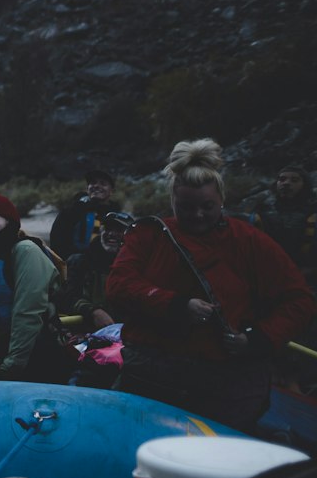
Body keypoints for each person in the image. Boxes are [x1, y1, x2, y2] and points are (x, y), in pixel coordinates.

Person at [106, 139, 315, 431]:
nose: (198, 215)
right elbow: (118, 283)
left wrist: (257, 339)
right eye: (187, 207)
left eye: (207, 206)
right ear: (172, 202)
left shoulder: (248, 240)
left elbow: (299, 299)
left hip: (225, 383)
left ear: (222, 200)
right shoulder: (149, 235)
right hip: (154, 374)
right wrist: (175, 304)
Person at [0, 192, 74, 384]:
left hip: (37, 352)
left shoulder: (26, 252)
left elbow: (27, 314)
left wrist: (2, 373)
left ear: (9, 221)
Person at [57, 211, 135, 329]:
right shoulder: (80, 262)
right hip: (86, 330)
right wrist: (94, 311)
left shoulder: (136, 266)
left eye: (119, 230)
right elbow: (66, 298)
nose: (111, 234)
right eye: (108, 229)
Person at [248, 163, 315, 283]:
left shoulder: (313, 211)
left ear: (305, 185)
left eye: (294, 180)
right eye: (282, 179)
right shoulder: (263, 211)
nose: (286, 183)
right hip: (270, 275)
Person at [49, 166, 118, 261]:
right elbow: (57, 244)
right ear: (87, 188)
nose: (97, 186)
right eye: (93, 183)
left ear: (112, 191)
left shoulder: (117, 216)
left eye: (103, 183)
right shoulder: (70, 212)